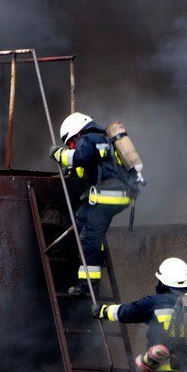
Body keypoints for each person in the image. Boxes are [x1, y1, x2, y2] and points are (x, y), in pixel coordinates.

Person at [49, 112, 134, 297]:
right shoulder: (100, 139)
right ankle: (90, 251)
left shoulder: (88, 138)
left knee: (88, 240)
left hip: (106, 198)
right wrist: (72, 169)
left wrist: (59, 153)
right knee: (79, 221)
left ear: (76, 133)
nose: (71, 147)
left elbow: (80, 156)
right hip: (112, 196)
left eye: (70, 143)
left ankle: (87, 286)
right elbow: (88, 166)